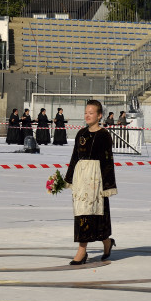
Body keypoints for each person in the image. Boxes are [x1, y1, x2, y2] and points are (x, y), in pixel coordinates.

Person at [62, 99, 117, 265]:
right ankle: (82, 250)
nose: (87, 115)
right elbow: (74, 157)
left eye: (91, 113)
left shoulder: (104, 135)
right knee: (82, 213)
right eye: (86, 112)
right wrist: (68, 178)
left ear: (99, 116)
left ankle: (106, 241)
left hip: (96, 179)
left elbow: (108, 160)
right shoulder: (81, 134)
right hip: (81, 178)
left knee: (98, 215)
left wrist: (108, 185)